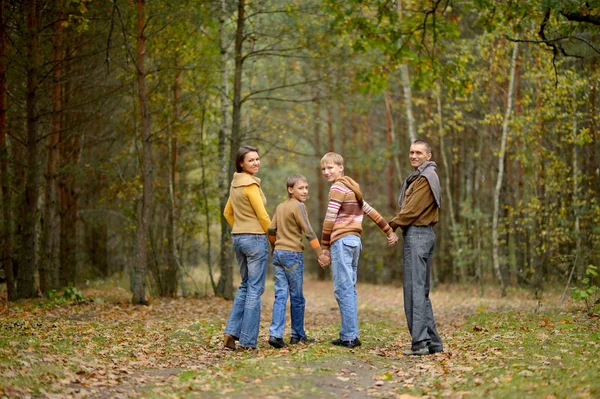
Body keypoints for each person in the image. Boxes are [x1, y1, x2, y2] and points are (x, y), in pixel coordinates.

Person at [318, 152, 398, 348]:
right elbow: (369, 210)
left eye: (330, 168)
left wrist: (325, 248)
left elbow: (329, 219)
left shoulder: (337, 187)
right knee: (349, 287)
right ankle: (349, 333)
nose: (326, 172)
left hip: (342, 241)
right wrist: (388, 231)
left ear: (340, 167)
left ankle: (350, 337)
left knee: (342, 288)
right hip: (354, 242)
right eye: (323, 169)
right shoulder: (352, 188)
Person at [389, 139, 443, 356]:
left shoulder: (424, 178)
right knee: (421, 291)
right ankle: (433, 343)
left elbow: (410, 211)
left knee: (415, 291)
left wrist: (390, 225)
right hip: (421, 235)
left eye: (419, 152)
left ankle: (420, 343)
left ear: (428, 156)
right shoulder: (419, 177)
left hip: (419, 235)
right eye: (411, 152)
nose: (413, 156)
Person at [267, 174, 325, 348]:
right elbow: (308, 231)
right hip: (292, 254)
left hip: (279, 254)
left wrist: (273, 247)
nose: (305, 191)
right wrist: (320, 253)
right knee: (297, 297)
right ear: (290, 189)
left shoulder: (280, 206)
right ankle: (297, 334)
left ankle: (275, 334)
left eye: (307, 188)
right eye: (301, 188)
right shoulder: (298, 206)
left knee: (280, 295)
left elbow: (271, 229)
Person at [223, 145, 271, 351]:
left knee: (245, 286)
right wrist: (274, 239)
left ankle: (231, 333)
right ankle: (248, 341)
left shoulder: (235, 184)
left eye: (258, 159)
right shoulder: (250, 185)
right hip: (256, 239)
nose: (256, 162)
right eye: (251, 160)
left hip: (239, 238)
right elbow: (262, 216)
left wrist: (241, 229)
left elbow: (227, 213)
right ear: (241, 163)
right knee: (254, 289)